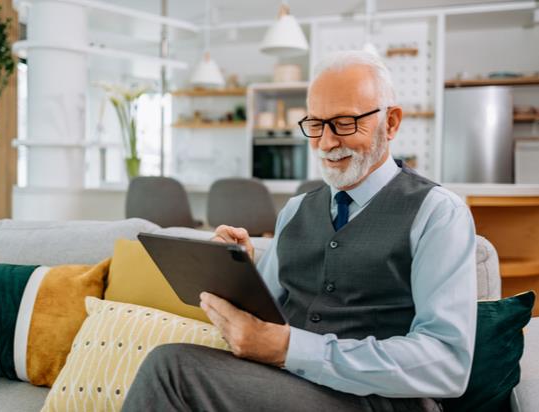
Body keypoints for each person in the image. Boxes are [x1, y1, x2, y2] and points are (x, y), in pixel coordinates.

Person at [122, 50, 477, 411]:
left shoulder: (438, 212)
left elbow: (447, 362)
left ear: (392, 122)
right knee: (167, 359)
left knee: (171, 370)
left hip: (378, 402)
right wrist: (239, 277)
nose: (325, 142)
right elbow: (264, 323)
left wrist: (290, 349)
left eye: (344, 123)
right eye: (316, 124)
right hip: (286, 387)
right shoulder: (295, 210)